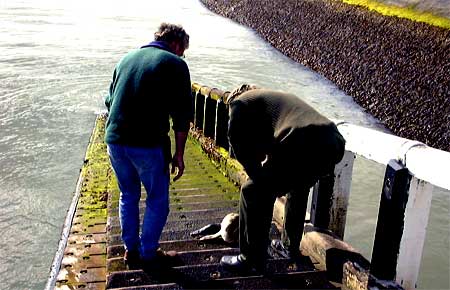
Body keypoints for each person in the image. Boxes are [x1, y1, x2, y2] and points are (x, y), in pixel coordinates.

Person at [220, 85, 345, 273]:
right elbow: (272, 141)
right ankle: (289, 247)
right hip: (333, 141)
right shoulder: (271, 99)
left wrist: (260, 182)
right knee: (298, 186)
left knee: (251, 191)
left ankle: (250, 259)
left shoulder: (238, 103)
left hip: (300, 137)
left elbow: (238, 144)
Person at [104, 23, 193, 269]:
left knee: (128, 194)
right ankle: (148, 253)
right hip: (147, 145)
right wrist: (179, 154)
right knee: (157, 199)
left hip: (115, 141)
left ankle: (130, 251)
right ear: (176, 44)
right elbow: (182, 116)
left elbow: (109, 100)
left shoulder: (126, 58)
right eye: (182, 50)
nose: (181, 55)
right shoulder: (175, 64)